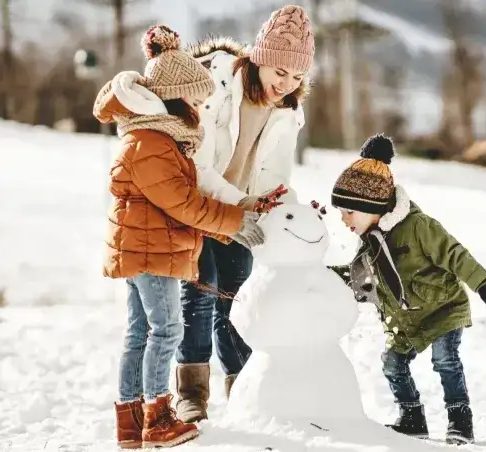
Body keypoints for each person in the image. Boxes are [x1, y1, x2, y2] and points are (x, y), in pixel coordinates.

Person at [93, 24, 266, 449]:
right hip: (151, 252)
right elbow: (183, 202)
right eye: (194, 98)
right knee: (166, 331)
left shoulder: (157, 138)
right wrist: (233, 221)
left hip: (146, 248)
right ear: (173, 96)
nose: (199, 107)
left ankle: (130, 424)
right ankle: (157, 417)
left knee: (139, 333)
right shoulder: (151, 142)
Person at [172, 4, 315, 423]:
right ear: (260, 60)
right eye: (280, 72)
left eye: (296, 77)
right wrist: (238, 205)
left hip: (242, 214)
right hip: (198, 204)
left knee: (237, 298)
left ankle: (245, 387)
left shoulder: (288, 111)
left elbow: (276, 177)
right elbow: (198, 164)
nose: (285, 84)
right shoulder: (215, 86)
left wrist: (295, 218)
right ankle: (192, 393)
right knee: (201, 291)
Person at [328, 134, 486, 445]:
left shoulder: (417, 227)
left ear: (371, 205)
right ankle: (413, 418)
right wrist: (318, 279)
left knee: (445, 360)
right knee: (392, 363)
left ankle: (460, 421)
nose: (344, 218)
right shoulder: (370, 241)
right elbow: (358, 278)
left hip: (443, 309)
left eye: (349, 211)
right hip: (406, 320)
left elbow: (455, 254)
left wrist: (485, 285)